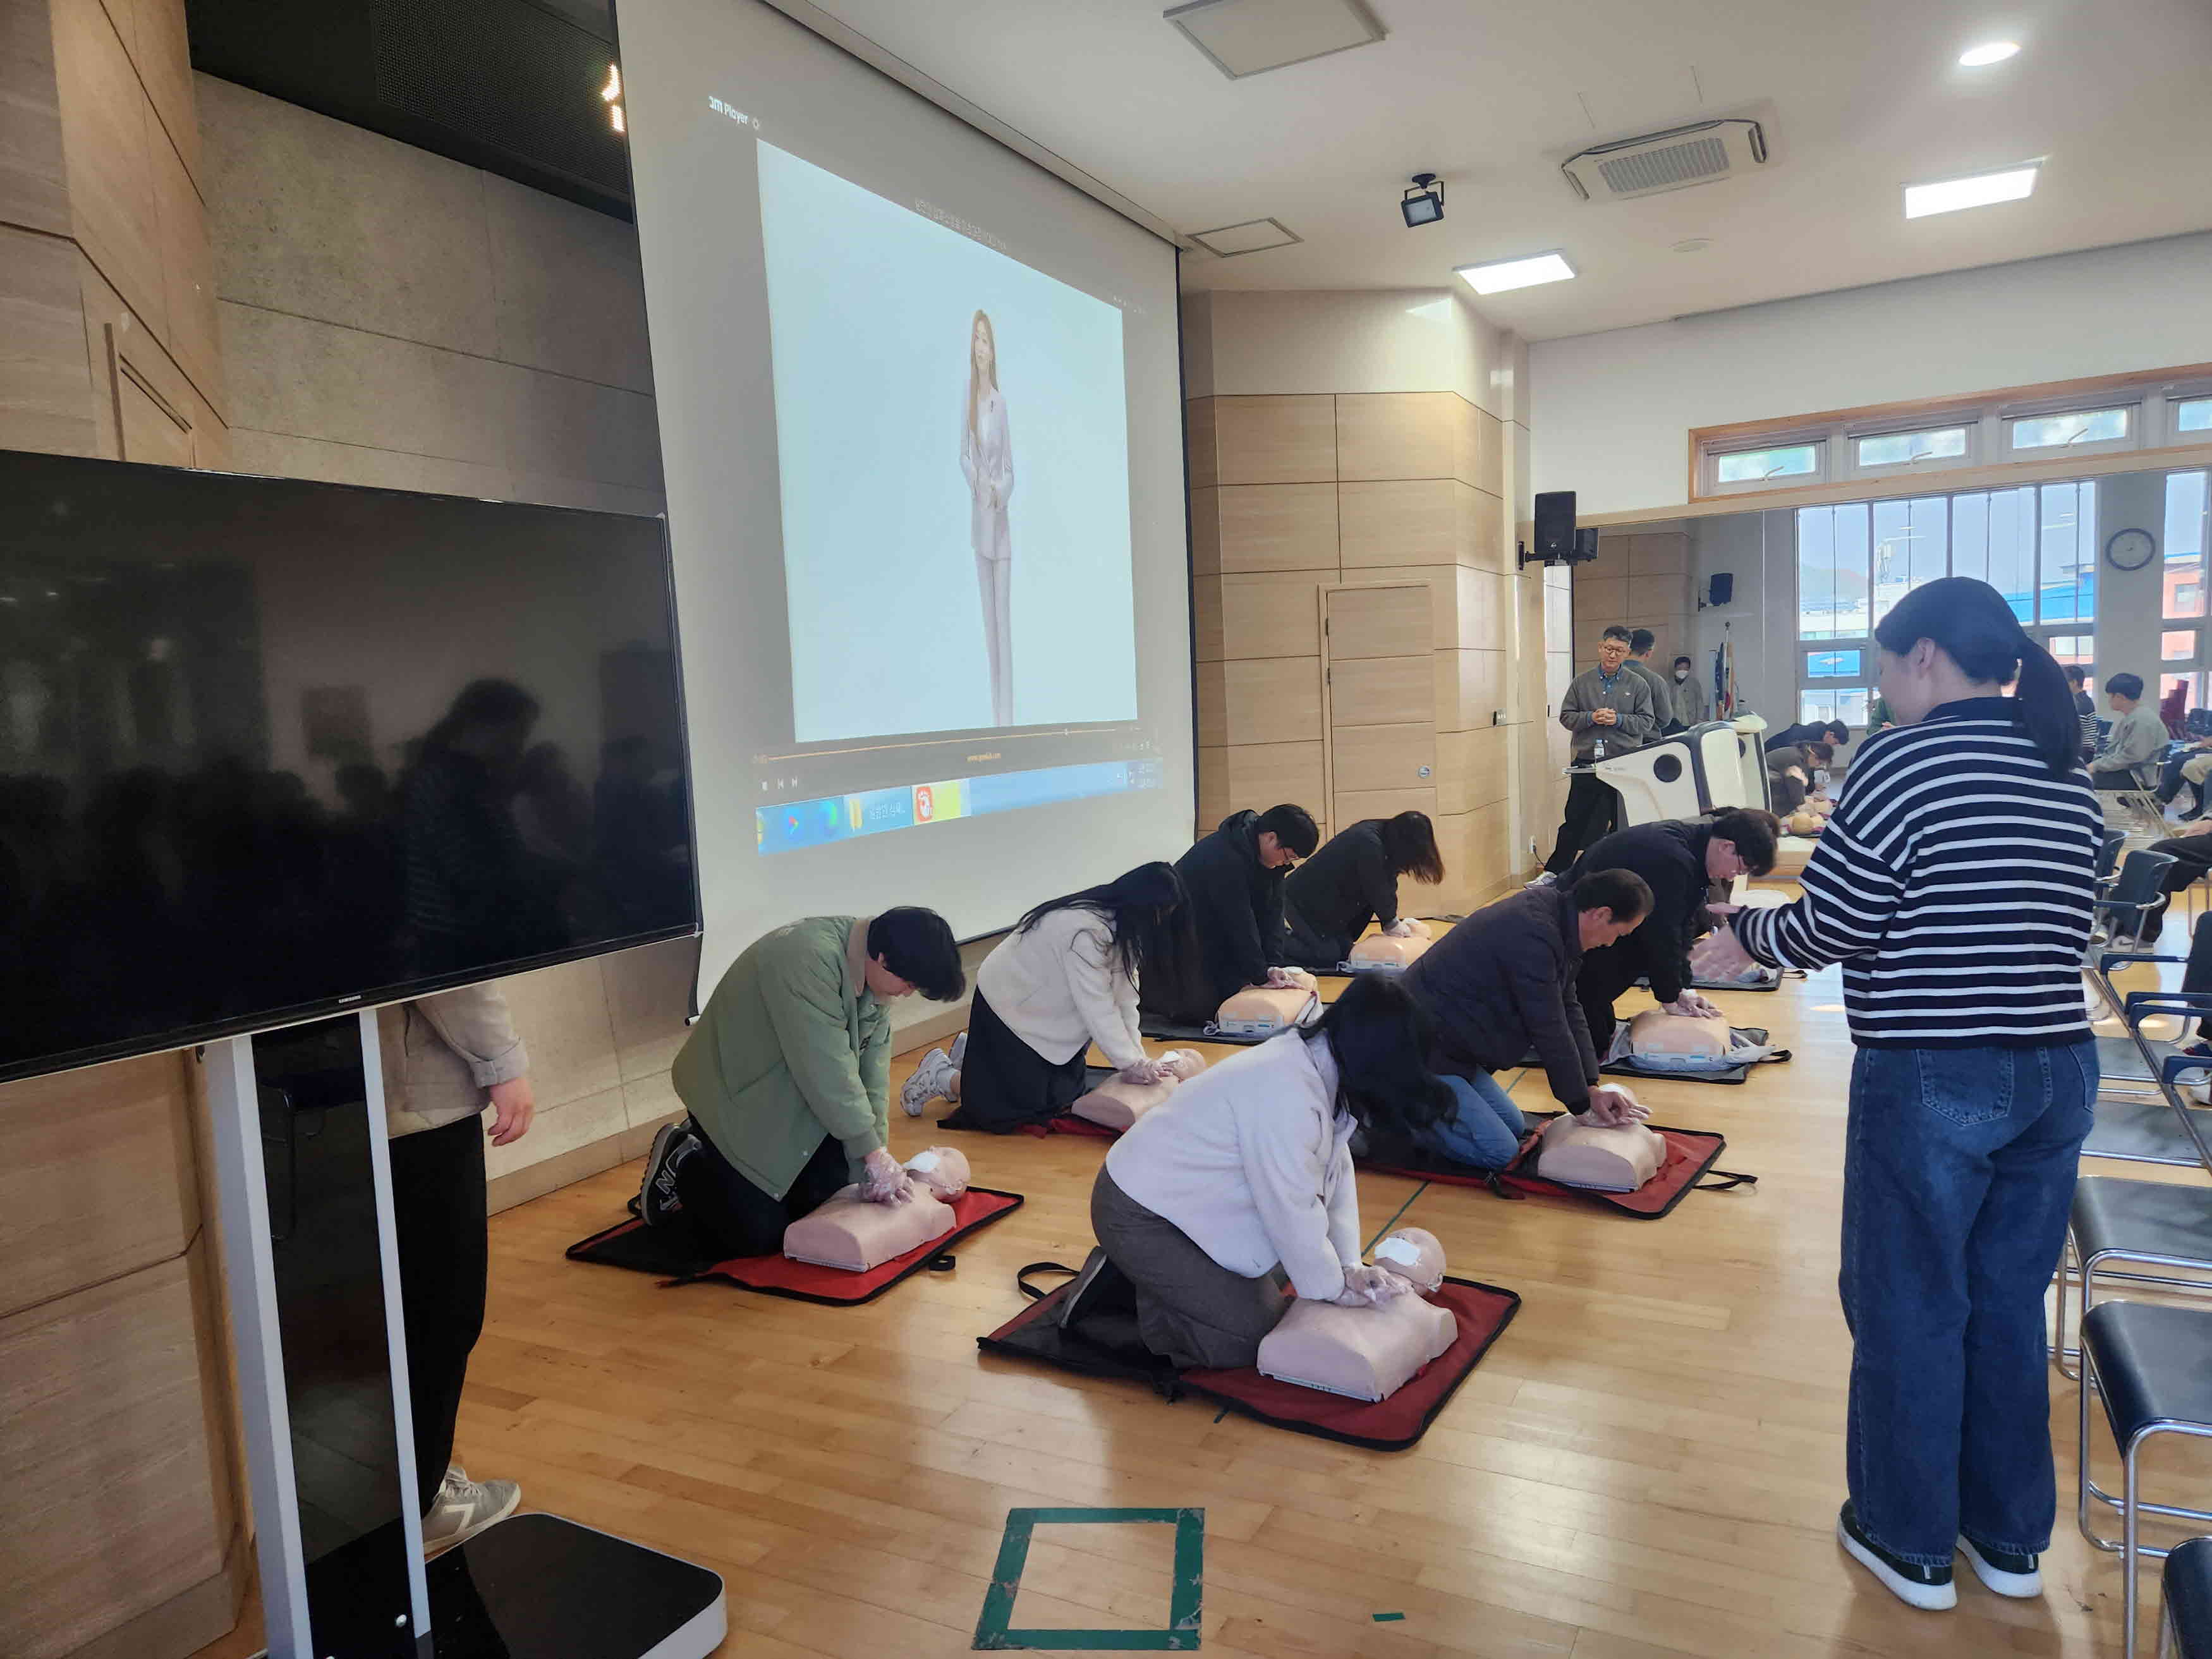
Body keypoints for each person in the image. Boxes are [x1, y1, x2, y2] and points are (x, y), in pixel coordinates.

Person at [1693, 576, 2098, 1612]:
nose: (1879, 689)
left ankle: (1908, 1537)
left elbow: (1839, 922)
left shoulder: (1905, 759)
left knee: (1910, 1301)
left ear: (1924, 658)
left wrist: (1746, 937)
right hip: (2057, 1066)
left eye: (1882, 665)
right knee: (2006, 1306)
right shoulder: (2064, 764)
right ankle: (2007, 1539)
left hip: (1934, 1068)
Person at [1076, 976, 1454, 1369]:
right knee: (1251, 1338)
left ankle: (1163, 1278)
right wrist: (1334, 1288)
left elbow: (1335, 1173)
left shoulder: (1324, 1063)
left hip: (1195, 1202)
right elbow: (1293, 1207)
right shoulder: (1286, 1091)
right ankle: (1129, 1292)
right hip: (1140, 1213)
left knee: (1291, 1274)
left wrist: (1349, 1267)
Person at [638, 909, 966, 1258]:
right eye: (910, 984)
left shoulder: (876, 976)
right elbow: (829, 1072)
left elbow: (871, 1078)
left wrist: (870, 1164)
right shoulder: (806, 960)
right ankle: (685, 1160)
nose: (906, 994)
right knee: (757, 1236)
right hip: (733, 1096)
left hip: (797, 1093)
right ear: (883, 959)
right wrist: (872, 1154)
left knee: (830, 1202)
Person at [379, 985, 535, 1552]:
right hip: (417, 1105)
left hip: (319, 1100)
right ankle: (419, 1503)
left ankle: (391, 1487)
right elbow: (445, 961)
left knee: (375, 1315)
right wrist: (504, 1062)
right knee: (443, 1312)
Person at [1401, 868, 1655, 1169]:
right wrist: (1580, 1105)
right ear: (1601, 914)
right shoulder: (1533, 934)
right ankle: (1387, 1120)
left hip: (1452, 1048)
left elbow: (1569, 1007)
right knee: (1500, 1152)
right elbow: (1548, 1025)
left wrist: (1590, 1086)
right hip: (1417, 1047)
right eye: (1618, 934)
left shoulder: (1560, 919)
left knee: (1513, 1124)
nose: (1611, 943)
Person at [909, 863, 1191, 1131]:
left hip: (1049, 1011)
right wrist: (1131, 1064)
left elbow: (1126, 998)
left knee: (1058, 1099)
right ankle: (942, 1076)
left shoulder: (1126, 930)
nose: (1160, 923)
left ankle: (973, 1055)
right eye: (1159, 914)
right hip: (1012, 1004)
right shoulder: (1086, 931)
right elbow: (1099, 1007)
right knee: (1007, 1111)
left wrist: (1139, 1059)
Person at [1563, 808, 1780, 1054]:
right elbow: (1662, 934)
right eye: (1741, 868)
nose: (1734, 876)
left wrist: (1683, 989)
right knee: (1591, 1043)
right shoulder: (1673, 859)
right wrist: (1668, 996)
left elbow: (1682, 926)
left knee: (1602, 1032)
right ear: (1727, 847)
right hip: (1573, 926)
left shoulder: (1695, 849)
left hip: (1606, 921)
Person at [1140, 805, 1318, 1024]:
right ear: (1271, 838)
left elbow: (1273, 916)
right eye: (1288, 857)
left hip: (1215, 936)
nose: (1286, 863)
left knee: (1257, 985)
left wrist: (1273, 966)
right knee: (1207, 1009)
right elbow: (1238, 921)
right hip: (1178, 941)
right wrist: (1260, 975)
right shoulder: (1224, 856)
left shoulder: (1270, 860)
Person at [1541, 627, 1659, 878]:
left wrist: (1618, 720)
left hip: (1624, 763)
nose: (1612, 655)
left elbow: (1647, 722)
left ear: (1627, 652)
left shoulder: (1638, 685)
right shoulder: (1582, 683)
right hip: (1587, 762)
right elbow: (1566, 717)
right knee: (1575, 820)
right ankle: (1554, 872)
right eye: (1609, 649)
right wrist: (1591, 717)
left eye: (1619, 651)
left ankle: (1620, 875)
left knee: (1622, 823)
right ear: (1600, 647)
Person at [1279, 811, 1447, 971]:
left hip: (1323, 908)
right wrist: (1391, 922)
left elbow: (1387, 885)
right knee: (1326, 955)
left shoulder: (1387, 839)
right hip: (1299, 902)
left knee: (1345, 953)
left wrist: (1392, 921)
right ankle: (1272, 942)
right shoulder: (1369, 842)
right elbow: (1377, 886)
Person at [962, 310, 1016, 726]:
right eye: (977, 340)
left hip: (1000, 524)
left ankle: (1007, 720)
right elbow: (962, 455)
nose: (982, 348)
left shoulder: (1000, 402)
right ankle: (993, 720)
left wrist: (997, 490)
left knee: (1003, 626)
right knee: (986, 627)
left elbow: (1011, 470)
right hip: (979, 526)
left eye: (988, 341)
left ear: (994, 350)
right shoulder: (967, 398)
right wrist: (977, 480)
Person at [2089, 672, 2166, 792]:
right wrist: (2096, 763)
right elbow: (2115, 752)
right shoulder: (2134, 717)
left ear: (2120, 697)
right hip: (2131, 772)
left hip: (2138, 777)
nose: (2109, 700)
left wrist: (2096, 766)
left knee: (2083, 780)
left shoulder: (2143, 720)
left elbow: (2132, 757)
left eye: (2110, 696)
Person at [1622, 628, 1675, 734]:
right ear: (1649, 653)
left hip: (1611, 743)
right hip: (1646, 743)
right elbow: (1664, 718)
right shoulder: (1655, 681)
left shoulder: (1606, 676)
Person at [1767, 741, 1834, 817]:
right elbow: (1796, 788)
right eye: (1820, 763)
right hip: (1767, 786)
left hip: (1769, 780)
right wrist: (1807, 809)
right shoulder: (1795, 759)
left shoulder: (1799, 754)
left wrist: (1809, 794)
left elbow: (1801, 782)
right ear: (1813, 755)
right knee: (1795, 808)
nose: (1817, 766)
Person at [2065, 665, 2098, 765]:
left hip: (2081, 751)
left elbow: (2072, 731)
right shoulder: (2085, 700)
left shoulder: (2077, 703)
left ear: (2074, 683)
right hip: (2087, 750)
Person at [1670, 654, 1713, 729]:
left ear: (1689, 670)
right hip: (1674, 723)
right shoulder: (1668, 684)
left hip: (1690, 722)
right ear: (1675, 668)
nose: (1682, 671)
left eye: (1685, 669)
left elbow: (1700, 702)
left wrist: (1699, 719)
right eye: (1680, 668)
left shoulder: (1694, 683)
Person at [1763, 719, 1850, 755]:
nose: (1832, 745)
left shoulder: (1819, 732)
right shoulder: (1812, 734)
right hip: (1771, 752)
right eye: (1835, 743)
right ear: (1830, 734)